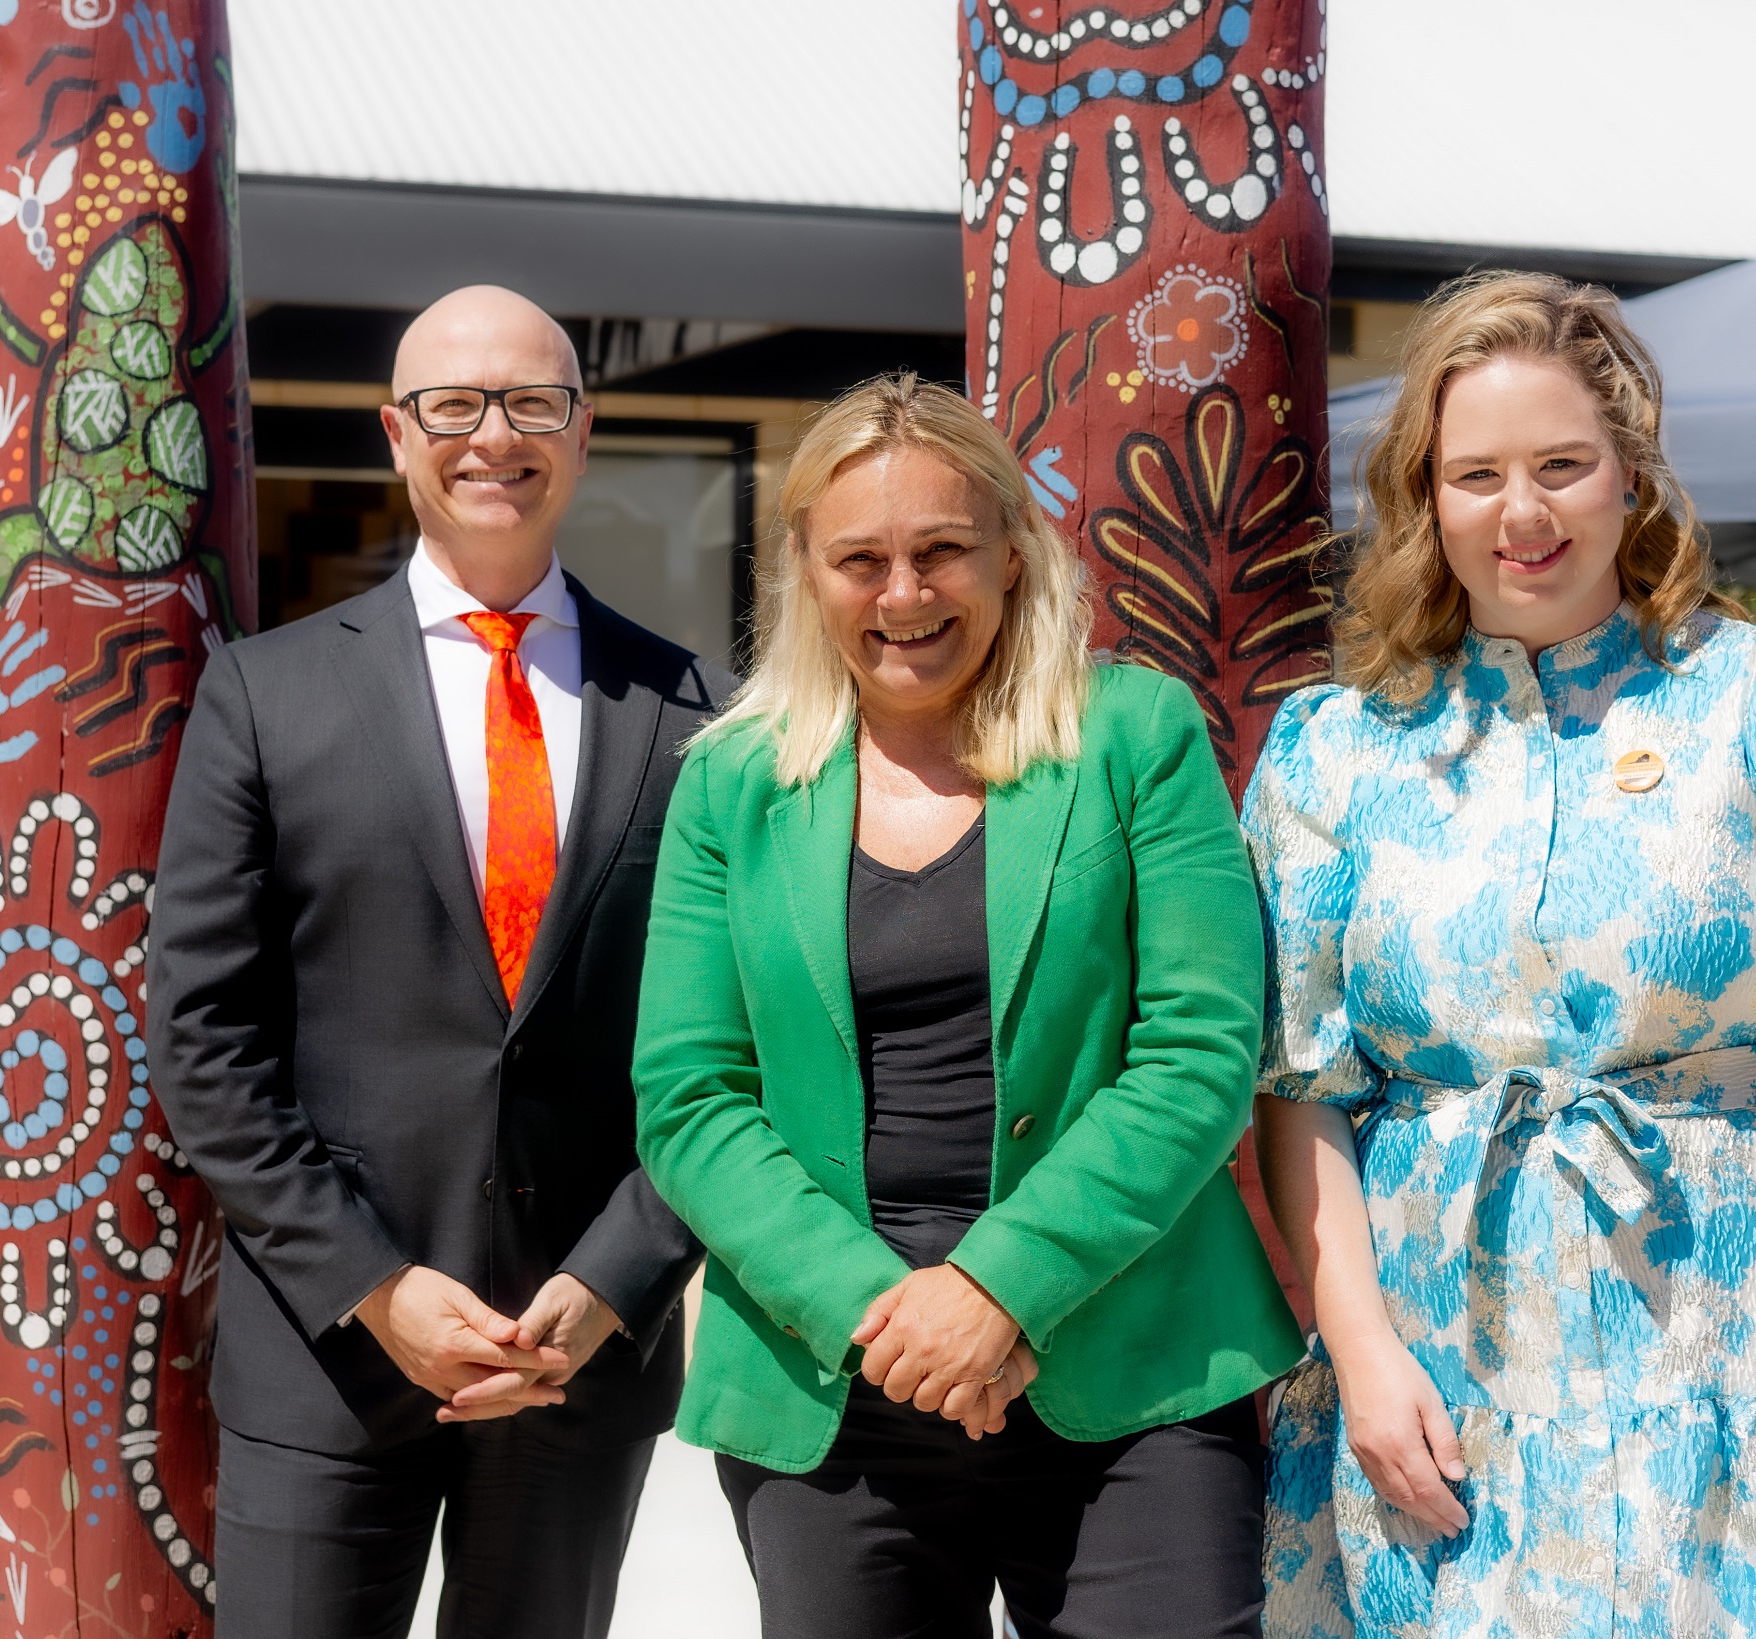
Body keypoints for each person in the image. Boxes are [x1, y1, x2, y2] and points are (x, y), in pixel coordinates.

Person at [1247, 272, 1756, 1637]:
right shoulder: (1333, 754)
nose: (1521, 514)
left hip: (1746, 1329)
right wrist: (1358, 1351)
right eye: (1477, 474)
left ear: (1633, 476)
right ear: (1425, 495)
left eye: (1561, 466)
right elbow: (1303, 1081)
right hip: (1439, 1346)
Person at [631, 374, 1303, 1639]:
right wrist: (887, 1317)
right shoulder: (729, 783)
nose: (904, 594)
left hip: (1129, 1360)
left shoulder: (1134, 733)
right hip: (830, 1370)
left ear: (1011, 546)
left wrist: (995, 1289)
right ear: (804, 568)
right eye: (862, 559)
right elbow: (688, 1097)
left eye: (940, 549)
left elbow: (1200, 1048)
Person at [147, 286, 724, 1639]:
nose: (493, 436)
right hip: (329, 1349)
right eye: (454, 405)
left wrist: (620, 1275)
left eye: (530, 402)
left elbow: (727, 1039)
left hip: (579, 1346)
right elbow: (203, 1034)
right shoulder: (265, 692)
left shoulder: (693, 710)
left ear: (581, 433)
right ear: (397, 435)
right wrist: (373, 1282)